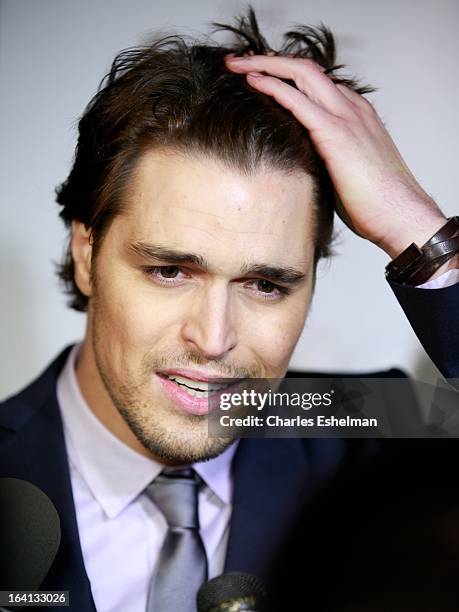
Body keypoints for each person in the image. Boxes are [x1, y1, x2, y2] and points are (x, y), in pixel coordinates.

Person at [0, 7, 458, 612]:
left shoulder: (363, 430)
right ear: (87, 255)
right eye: (170, 271)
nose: (214, 338)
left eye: (266, 284)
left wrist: (419, 232)